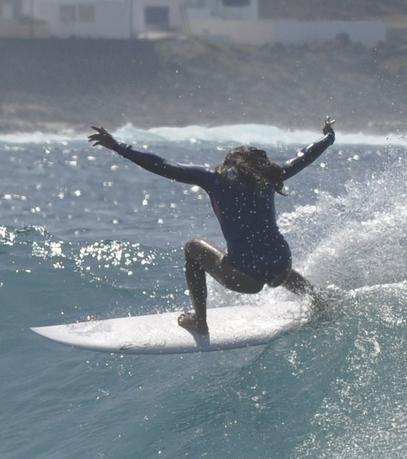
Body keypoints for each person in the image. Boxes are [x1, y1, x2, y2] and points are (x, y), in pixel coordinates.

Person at [88, 120, 337, 336]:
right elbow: (305, 156)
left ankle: (200, 321)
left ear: (230, 164)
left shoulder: (214, 180)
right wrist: (328, 137)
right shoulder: (270, 177)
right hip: (283, 266)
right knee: (269, 254)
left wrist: (119, 147)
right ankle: (316, 296)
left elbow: (162, 164)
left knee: (193, 247)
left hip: (244, 278)